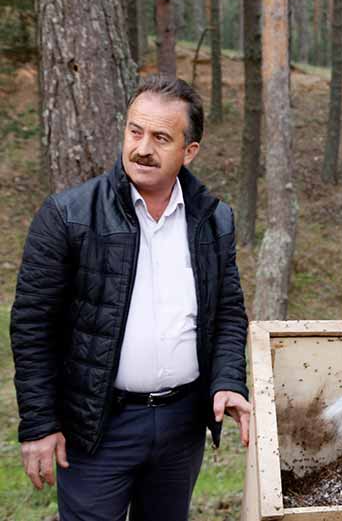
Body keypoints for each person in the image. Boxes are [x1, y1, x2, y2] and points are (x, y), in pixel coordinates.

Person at [10, 76, 251, 521]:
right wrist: (40, 424)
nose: (142, 148)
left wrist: (229, 380)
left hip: (181, 425)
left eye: (161, 137)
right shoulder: (68, 215)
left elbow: (229, 313)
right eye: (135, 131)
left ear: (189, 150)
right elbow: (31, 325)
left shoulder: (214, 220)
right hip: (96, 426)